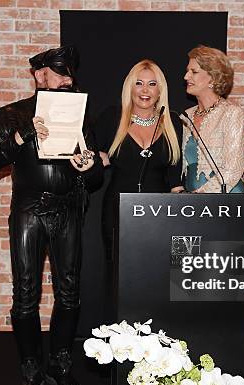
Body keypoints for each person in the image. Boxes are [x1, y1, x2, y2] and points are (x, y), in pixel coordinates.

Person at [0, 45, 103, 385]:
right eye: (59, 73)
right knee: (26, 293)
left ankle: (61, 363)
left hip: (67, 210)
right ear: (39, 75)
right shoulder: (13, 115)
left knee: (69, 291)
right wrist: (21, 137)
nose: (66, 80)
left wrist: (87, 166)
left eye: (69, 74)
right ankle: (31, 368)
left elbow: (94, 177)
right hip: (29, 210)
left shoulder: (80, 116)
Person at [181, 45, 244, 385]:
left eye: (192, 71)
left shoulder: (231, 114)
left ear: (212, 76)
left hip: (225, 207)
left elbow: (233, 168)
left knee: (229, 293)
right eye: (187, 71)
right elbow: (186, 166)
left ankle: (237, 371)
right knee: (191, 288)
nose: (186, 76)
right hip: (188, 211)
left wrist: (198, 199)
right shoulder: (186, 115)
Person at [93, 59, 183, 320]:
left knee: (156, 279)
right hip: (118, 212)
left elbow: (174, 177)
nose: (145, 90)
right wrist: (94, 160)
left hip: (160, 216)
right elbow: (90, 160)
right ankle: (118, 345)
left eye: (152, 84)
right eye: (139, 83)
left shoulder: (172, 122)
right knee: (120, 279)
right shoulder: (112, 118)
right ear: (129, 87)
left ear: (160, 90)